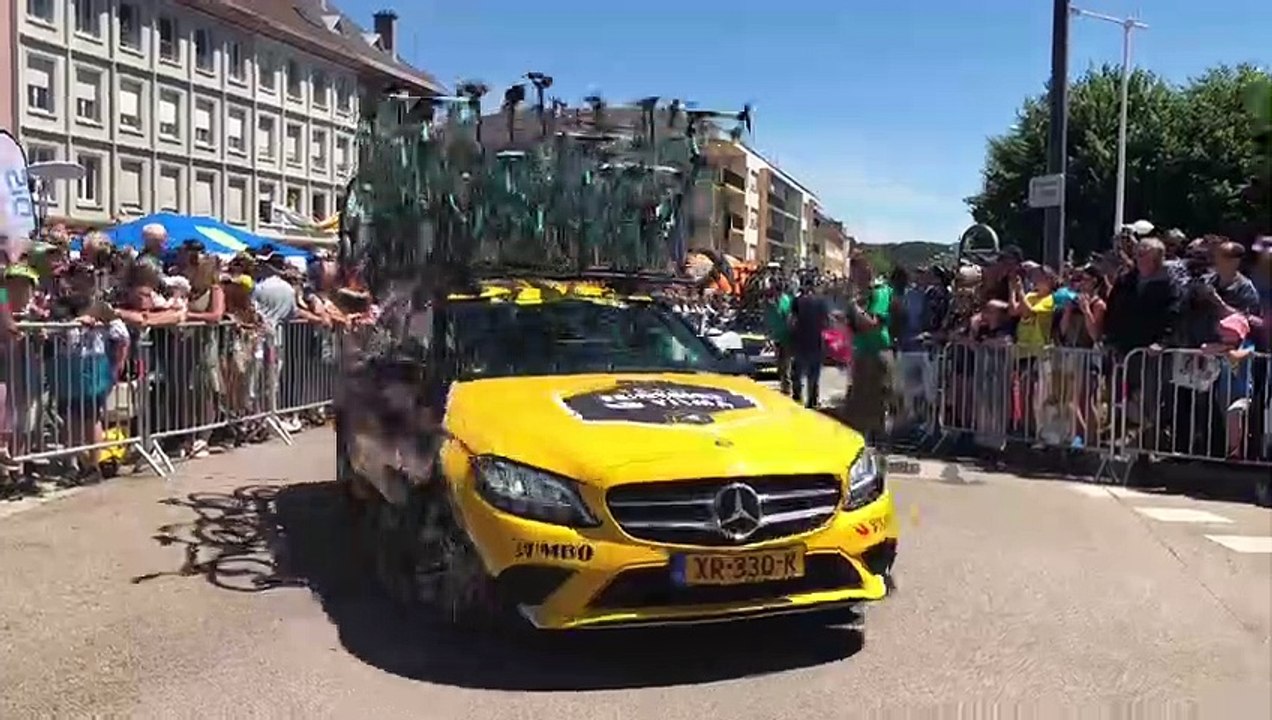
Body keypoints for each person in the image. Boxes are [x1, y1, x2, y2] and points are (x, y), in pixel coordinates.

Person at [843, 255, 893, 441]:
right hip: (862, 352)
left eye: (856, 273)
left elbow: (873, 323)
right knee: (857, 402)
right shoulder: (861, 295)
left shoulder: (880, 292)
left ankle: (878, 443)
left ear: (867, 271)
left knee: (875, 401)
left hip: (876, 351)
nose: (853, 278)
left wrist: (854, 308)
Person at [789, 281, 828, 408]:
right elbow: (826, 323)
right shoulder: (821, 302)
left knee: (797, 372)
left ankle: (797, 396)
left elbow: (792, 321)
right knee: (813, 373)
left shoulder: (797, 301)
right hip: (816, 341)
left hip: (800, 341)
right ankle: (812, 400)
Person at [763, 280, 793, 393]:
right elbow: (768, 319)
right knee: (780, 364)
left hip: (786, 337)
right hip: (777, 337)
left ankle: (787, 387)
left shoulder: (787, 301)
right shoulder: (770, 303)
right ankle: (784, 384)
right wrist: (768, 335)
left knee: (785, 364)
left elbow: (790, 318)